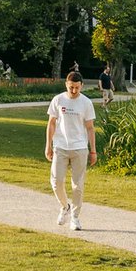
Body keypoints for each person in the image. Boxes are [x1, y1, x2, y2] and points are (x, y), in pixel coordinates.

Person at [44, 71, 96, 231]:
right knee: (56, 182)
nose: (74, 91)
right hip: (60, 146)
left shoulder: (86, 103)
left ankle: (75, 217)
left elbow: (90, 128)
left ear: (82, 86)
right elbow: (51, 123)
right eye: (71, 87)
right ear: (66, 84)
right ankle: (65, 206)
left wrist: (93, 151)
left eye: (77, 88)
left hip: (79, 148)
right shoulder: (58, 100)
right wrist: (48, 145)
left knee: (77, 185)